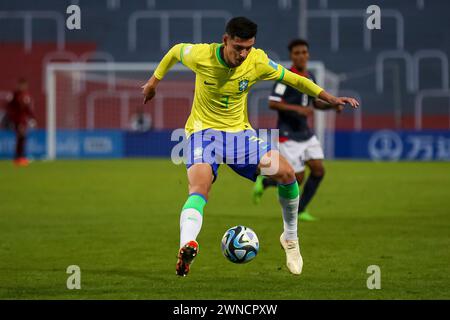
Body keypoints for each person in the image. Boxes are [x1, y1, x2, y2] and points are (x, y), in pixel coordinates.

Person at [142, 17, 359, 276]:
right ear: (226, 41)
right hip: (203, 134)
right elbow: (175, 51)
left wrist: (330, 98)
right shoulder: (202, 55)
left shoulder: (256, 61)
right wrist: (154, 82)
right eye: (238, 48)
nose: (243, 54)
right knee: (199, 188)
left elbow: (296, 80)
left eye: (248, 47)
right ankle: (187, 245)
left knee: (288, 174)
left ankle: (290, 238)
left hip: (240, 138)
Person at [253, 39, 345, 222]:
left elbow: (316, 103)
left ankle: (301, 209)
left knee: (319, 170)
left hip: (305, 132)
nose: (301, 56)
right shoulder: (285, 78)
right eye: (297, 53)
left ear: (308, 54)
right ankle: (265, 179)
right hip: (288, 134)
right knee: (297, 177)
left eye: (304, 52)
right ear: (291, 56)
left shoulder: (310, 76)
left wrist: (332, 106)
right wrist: (298, 110)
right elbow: (273, 103)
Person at [5, 78, 36, 166]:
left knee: (22, 138)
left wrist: (32, 118)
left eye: (24, 85)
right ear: (19, 85)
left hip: (24, 120)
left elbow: (28, 109)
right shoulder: (15, 95)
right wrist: (12, 118)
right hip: (18, 120)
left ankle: (20, 157)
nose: (23, 87)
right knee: (20, 137)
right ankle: (19, 157)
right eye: (21, 85)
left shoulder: (26, 95)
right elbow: (10, 107)